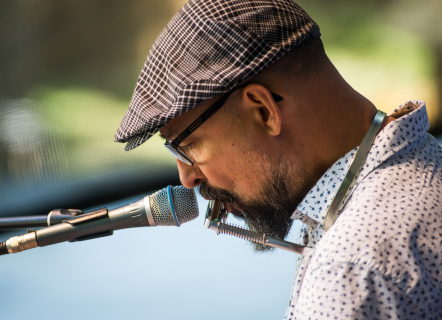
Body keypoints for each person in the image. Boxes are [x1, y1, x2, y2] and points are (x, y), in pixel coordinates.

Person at [114, 0, 442, 318]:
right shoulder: (421, 158)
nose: (187, 178)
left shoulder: (349, 273)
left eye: (186, 146)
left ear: (262, 109)